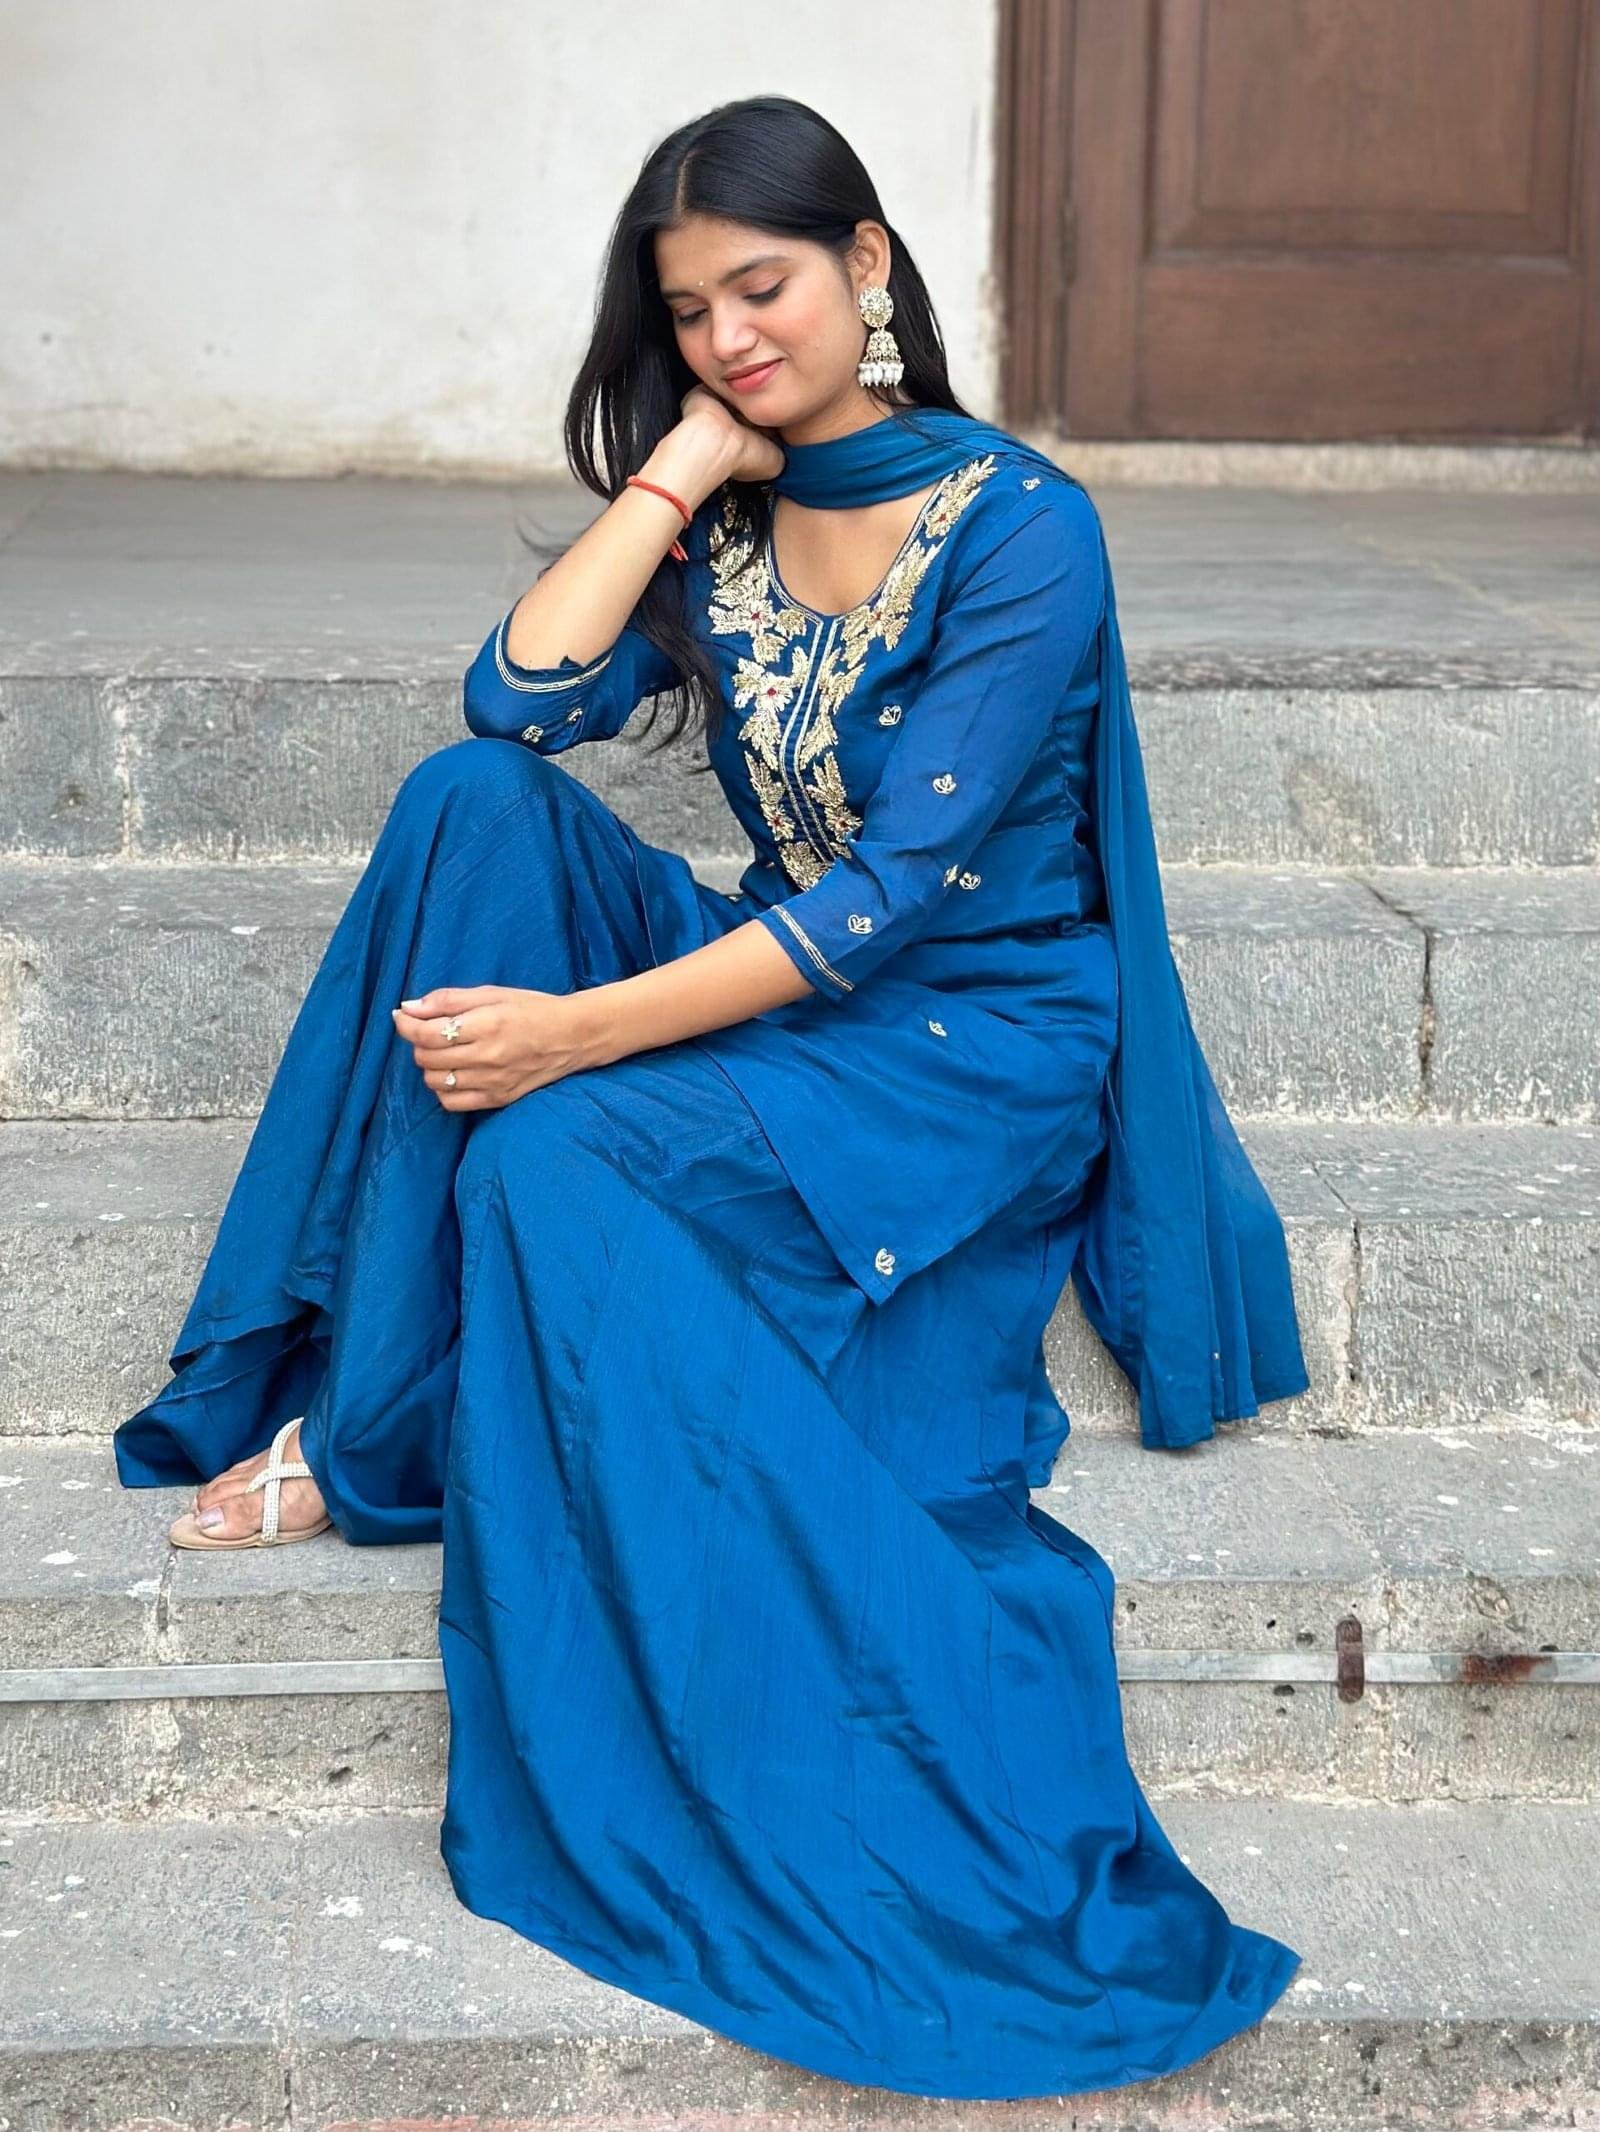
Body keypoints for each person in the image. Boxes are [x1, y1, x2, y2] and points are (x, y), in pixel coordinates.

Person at [112, 94, 1310, 2102]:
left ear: (865, 262)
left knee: (563, 1143)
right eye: (688, 314)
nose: (732, 337)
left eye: (762, 288)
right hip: (775, 967)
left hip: (963, 1040)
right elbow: (514, 695)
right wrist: (680, 467)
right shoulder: (734, 504)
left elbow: (885, 903)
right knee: (472, 808)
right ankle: (394, 1408)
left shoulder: (1022, 526)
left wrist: (581, 1033)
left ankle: (393, 1430)